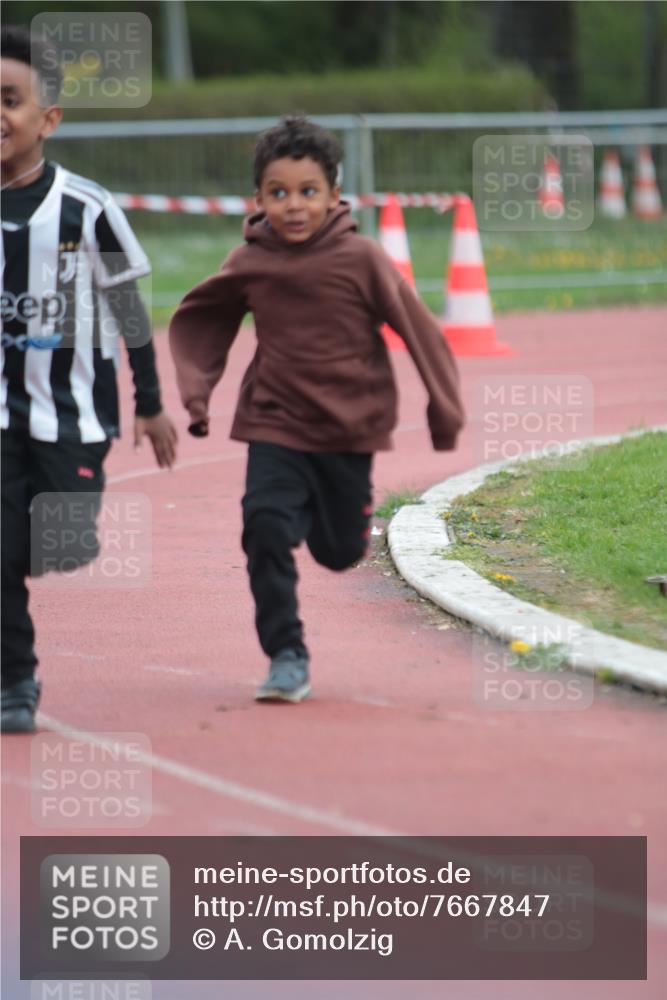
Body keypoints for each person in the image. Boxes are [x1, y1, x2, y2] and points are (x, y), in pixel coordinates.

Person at [169, 115, 464, 704]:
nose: (294, 206)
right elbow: (203, 316)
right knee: (264, 527)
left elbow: (420, 328)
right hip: (274, 422)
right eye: (278, 193)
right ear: (258, 199)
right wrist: (196, 393)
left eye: (308, 192)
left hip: (350, 427)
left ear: (334, 196)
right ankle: (286, 654)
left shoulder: (362, 258)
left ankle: (331, 520)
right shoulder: (251, 260)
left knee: (338, 552)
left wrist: (444, 409)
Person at [1, 26, 178, 733]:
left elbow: (129, 308)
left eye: (9, 99)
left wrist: (152, 402)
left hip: (74, 417)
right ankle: (15, 681)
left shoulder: (87, 207)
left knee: (62, 545)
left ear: (48, 119)